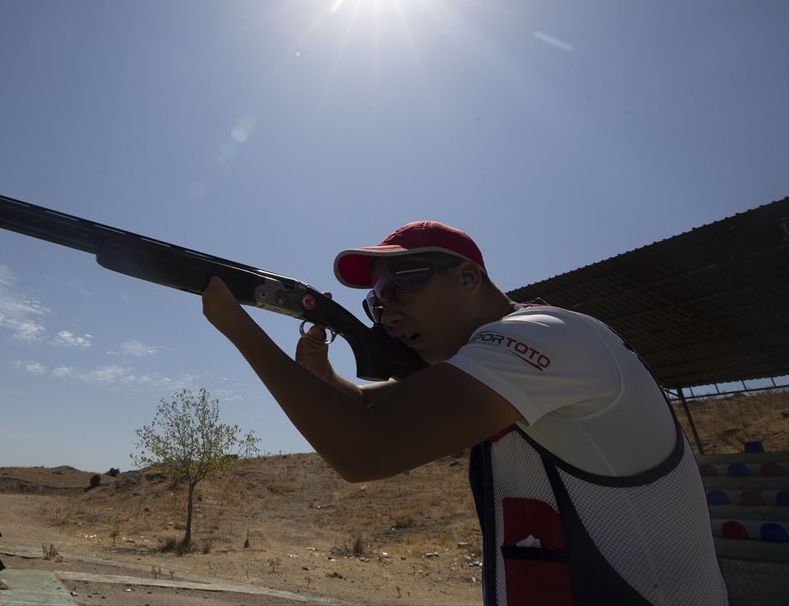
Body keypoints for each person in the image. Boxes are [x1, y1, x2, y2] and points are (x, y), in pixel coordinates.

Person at [202, 220, 727, 606]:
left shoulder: (543, 337)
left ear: (469, 276)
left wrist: (239, 328)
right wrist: (324, 378)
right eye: (376, 303)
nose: (388, 313)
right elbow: (365, 406)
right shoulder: (501, 358)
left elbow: (364, 450)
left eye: (400, 283)